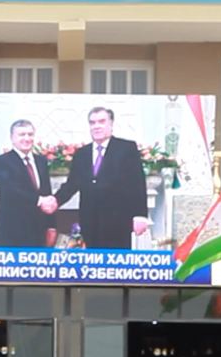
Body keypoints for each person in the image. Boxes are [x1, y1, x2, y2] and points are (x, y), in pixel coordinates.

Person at [52, 107, 149, 250]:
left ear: (111, 124)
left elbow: (137, 184)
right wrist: (55, 201)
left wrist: (140, 215)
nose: (96, 126)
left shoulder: (126, 148)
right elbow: (71, 184)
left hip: (118, 222)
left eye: (101, 122)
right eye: (92, 123)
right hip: (89, 222)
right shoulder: (82, 153)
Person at [0, 119, 56, 247]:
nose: (27, 138)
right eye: (22, 134)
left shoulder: (41, 161)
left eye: (30, 134)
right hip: (11, 231)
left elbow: (47, 192)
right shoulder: (1, 161)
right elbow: (10, 190)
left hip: (38, 231)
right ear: (12, 138)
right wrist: (39, 200)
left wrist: (51, 226)